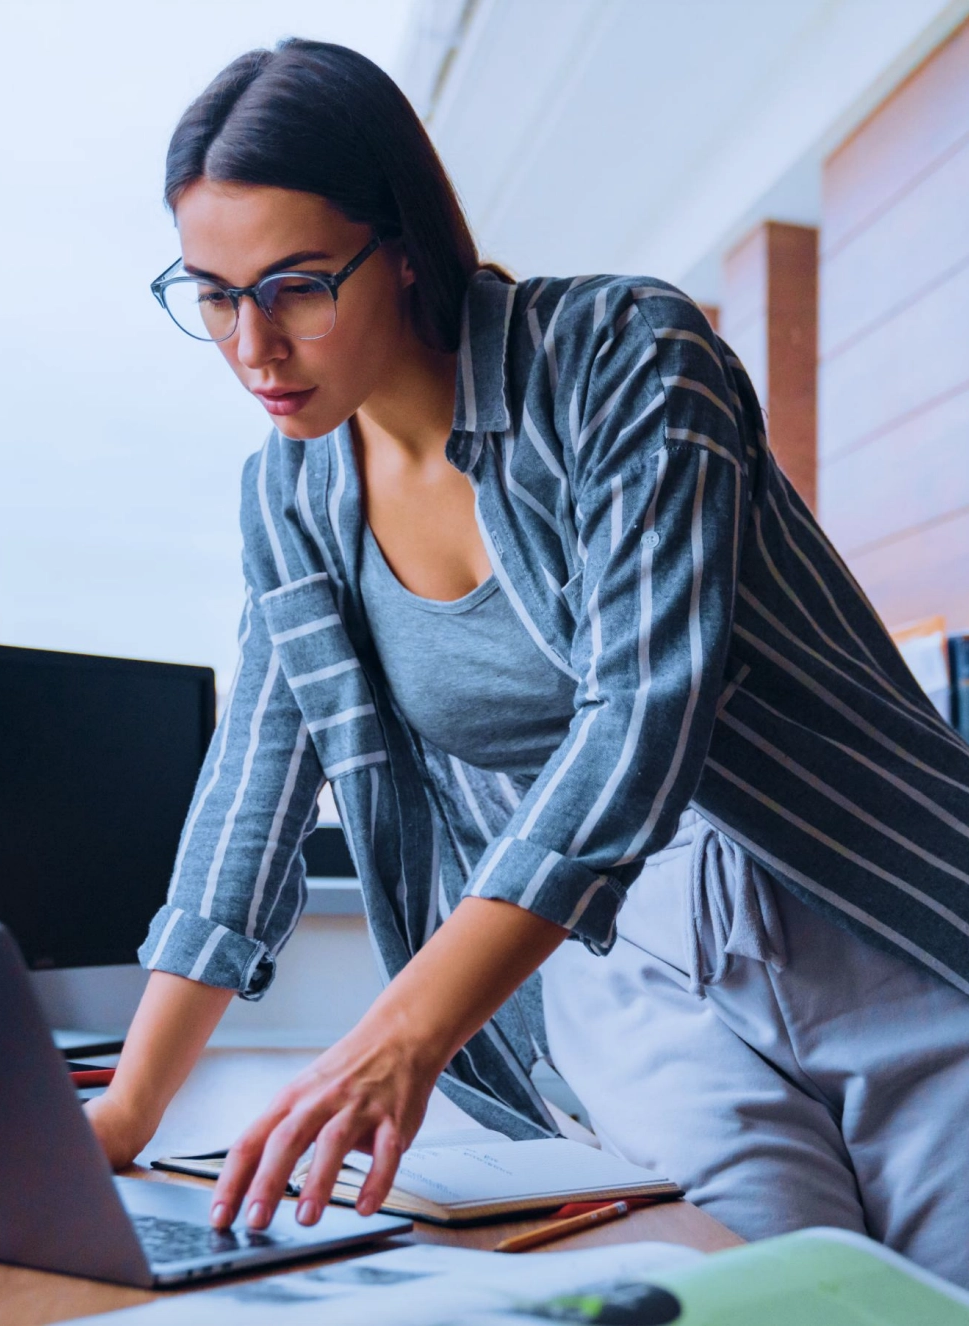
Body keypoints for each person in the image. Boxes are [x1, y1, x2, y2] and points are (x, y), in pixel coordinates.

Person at [85, 37, 969, 1284]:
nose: (254, 349)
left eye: (294, 286)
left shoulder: (625, 358)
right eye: (215, 295)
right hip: (628, 969)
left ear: (400, 246)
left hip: (866, 905)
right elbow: (252, 791)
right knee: (764, 1299)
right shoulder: (290, 499)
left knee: (937, 1295)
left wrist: (406, 1036)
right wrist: (126, 1111)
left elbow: (642, 718)